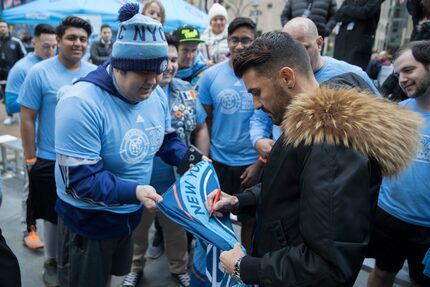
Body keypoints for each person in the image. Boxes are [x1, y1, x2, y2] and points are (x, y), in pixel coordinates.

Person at [205, 31, 422, 286]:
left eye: (257, 92)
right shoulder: (308, 121)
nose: (255, 104)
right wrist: (239, 200)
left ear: (286, 77)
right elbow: (288, 186)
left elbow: (327, 266)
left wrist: (246, 267)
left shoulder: (332, 147)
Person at [54, 4, 190, 286]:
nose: (153, 82)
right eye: (143, 73)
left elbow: (164, 137)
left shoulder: (155, 93)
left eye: (158, 71)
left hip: (128, 214)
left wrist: (188, 158)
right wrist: (136, 191)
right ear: (119, 65)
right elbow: (81, 181)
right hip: (89, 221)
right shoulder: (81, 102)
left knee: (112, 277)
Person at [121, 33, 208, 287]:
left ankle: (178, 267)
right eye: (164, 59)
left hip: (176, 181)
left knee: (176, 231)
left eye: (172, 59)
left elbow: (200, 127)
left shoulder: (186, 92)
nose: (169, 65)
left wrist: (201, 161)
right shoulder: (133, 95)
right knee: (137, 230)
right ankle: (135, 266)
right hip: (139, 181)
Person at [18, 16, 96, 287]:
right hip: (50, 157)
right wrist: (30, 157)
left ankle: (72, 257)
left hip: (86, 158)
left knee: (79, 210)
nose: (78, 43)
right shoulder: (39, 72)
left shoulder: (94, 72)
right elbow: (27, 117)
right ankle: (51, 259)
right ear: (60, 40)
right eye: (72, 38)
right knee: (51, 215)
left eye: (83, 39)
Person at [251, 17, 380, 160]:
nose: (293, 56)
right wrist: (258, 139)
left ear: (319, 43)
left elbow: (379, 123)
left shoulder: (353, 76)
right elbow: (260, 116)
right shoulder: (274, 76)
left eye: (302, 47)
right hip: (286, 160)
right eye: (286, 51)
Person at [367, 40, 430, 287]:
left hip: (426, 226)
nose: (402, 79)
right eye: (397, 73)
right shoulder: (399, 112)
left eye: (409, 70)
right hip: (389, 214)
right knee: (382, 272)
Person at [198, 17, 262, 252]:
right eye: (234, 39)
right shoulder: (210, 76)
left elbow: (269, 124)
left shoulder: (263, 76)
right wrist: (206, 160)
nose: (239, 46)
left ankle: (243, 267)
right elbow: (205, 120)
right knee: (214, 216)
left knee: (250, 221)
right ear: (227, 41)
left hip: (251, 165)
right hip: (219, 162)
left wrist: (259, 163)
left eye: (246, 40)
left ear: (254, 42)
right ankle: (216, 266)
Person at [5, 23, 57, 250]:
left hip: (54, 142)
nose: (51, 50)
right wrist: (35, 97)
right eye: (46, 46)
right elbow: (10, 103)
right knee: (31, 188)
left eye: (54, 45)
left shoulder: (57, 65)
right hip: (33, 141)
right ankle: (29, 230)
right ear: (34, 42)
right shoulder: (22, 68)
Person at [333, 0, 383, 70]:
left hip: (359, 45)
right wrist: (354, 12)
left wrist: (346, 9)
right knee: (337, 71)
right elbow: (338, 16)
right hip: (342, 43)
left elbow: (365, 12)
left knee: (353, 73)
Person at [0, 19, 26, 125]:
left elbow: (24, 56)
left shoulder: (16, 41)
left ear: (8, 28)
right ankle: (9, 115)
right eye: (0, 27)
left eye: (4, 27)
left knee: (21, 94)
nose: (2, 29)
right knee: (7, 96)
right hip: (2, 75)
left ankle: (23, 114)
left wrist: (18, 69)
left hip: (15, 75)